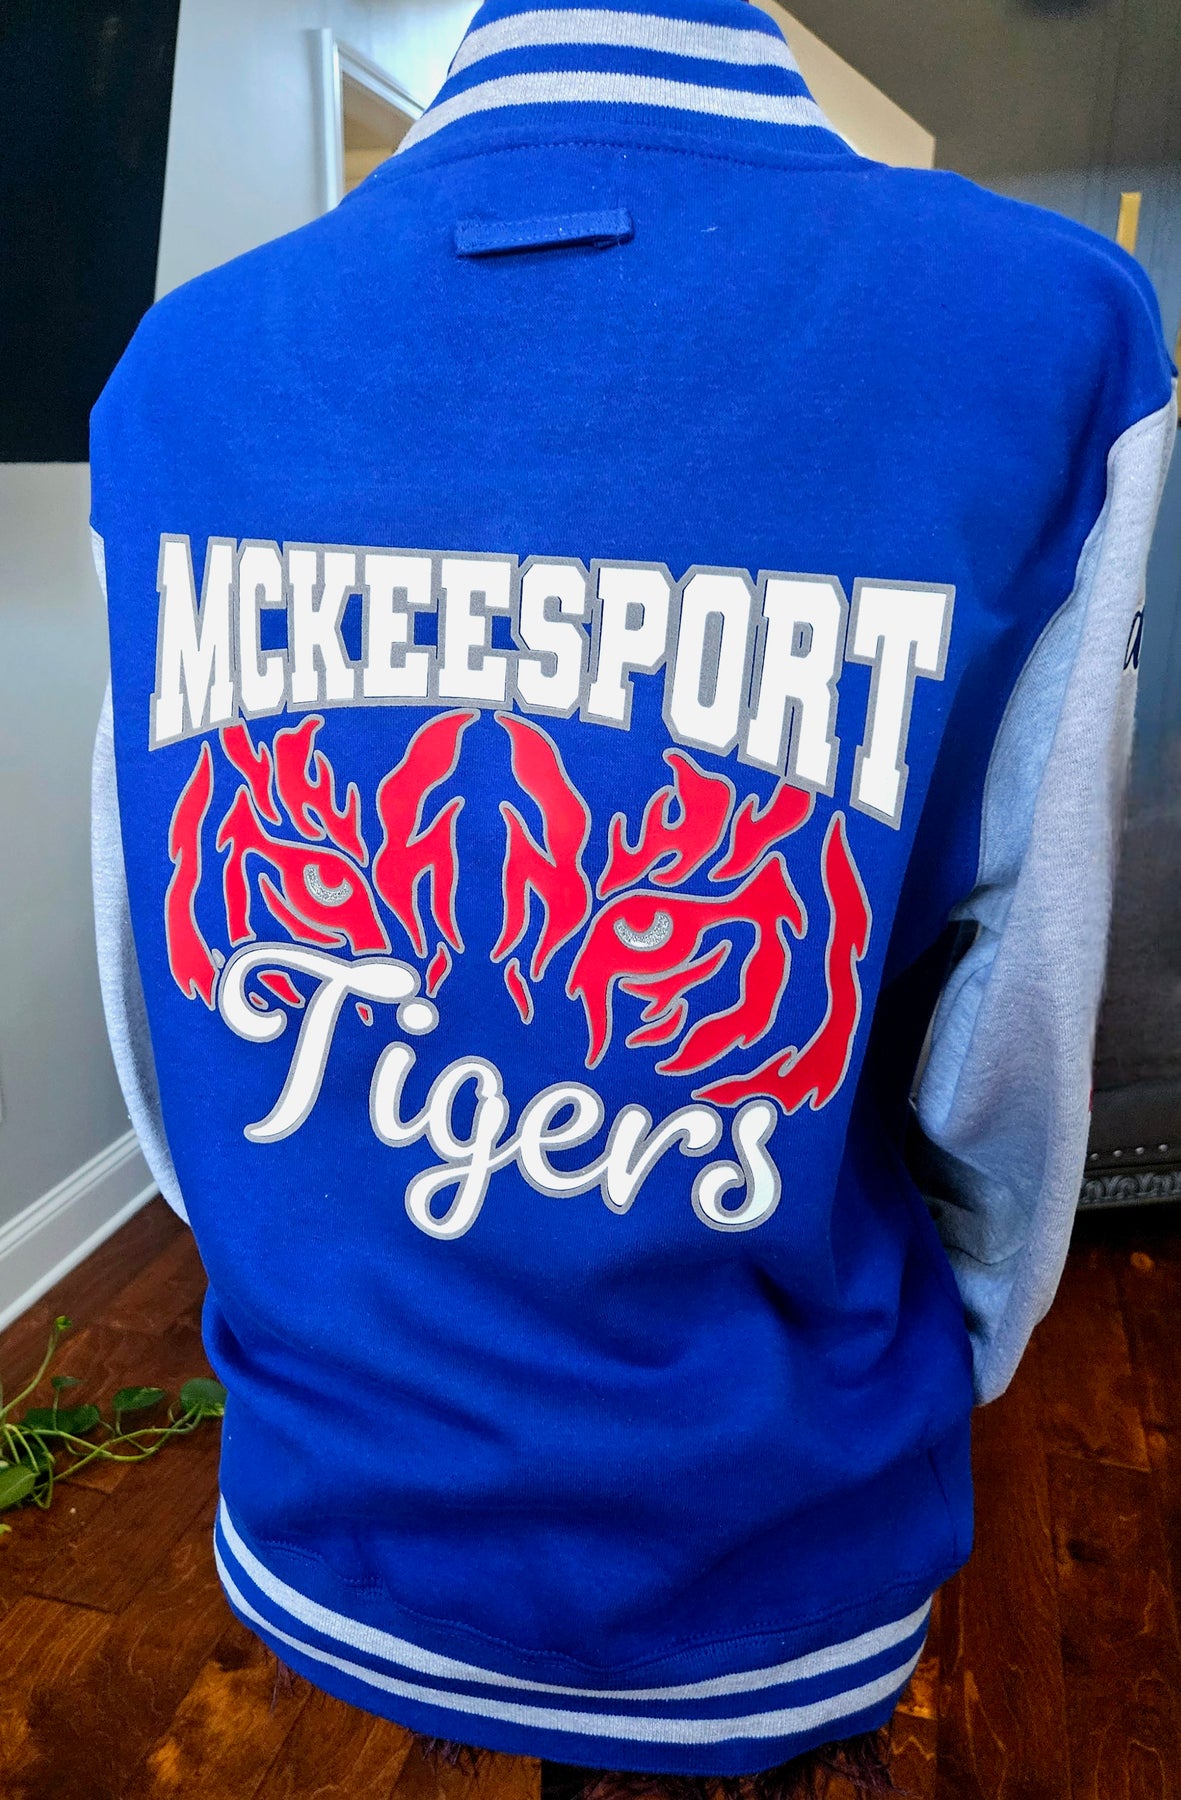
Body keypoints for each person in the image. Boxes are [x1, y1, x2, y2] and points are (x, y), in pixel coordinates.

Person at [90, 0, 1175, 1790]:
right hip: (776, 1507)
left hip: (337, 1485)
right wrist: (930, 1364)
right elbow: (1016, 1020)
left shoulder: (174, 369)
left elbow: (159, 998)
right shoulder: (1045, 327)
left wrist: (310, 1267)